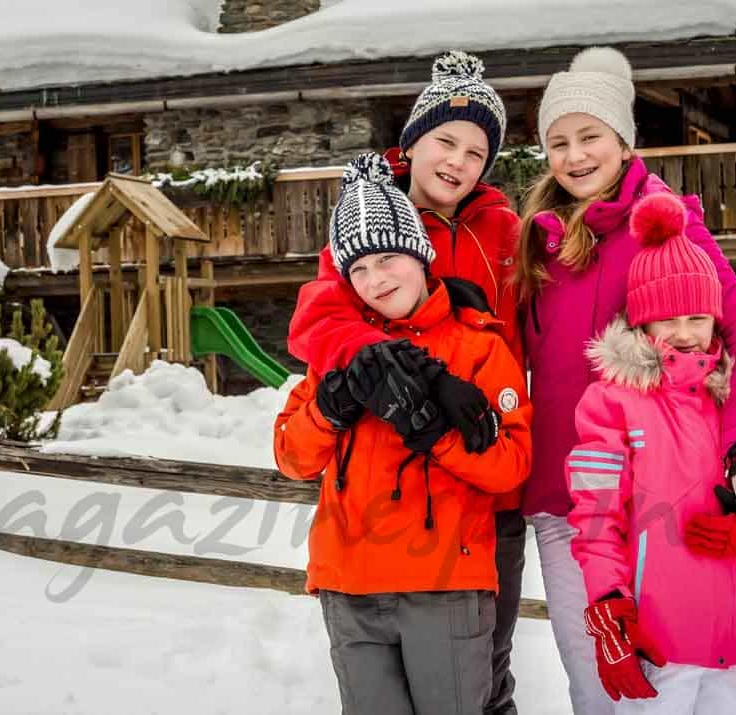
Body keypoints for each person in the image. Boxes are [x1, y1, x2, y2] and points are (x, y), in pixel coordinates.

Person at [515, 46, 736, 715]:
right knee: (596, 686)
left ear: (622, 140)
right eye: (558, 143)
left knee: (659, 686)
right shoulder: (538, 241)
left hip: (652, 503)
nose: (576, 156)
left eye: (591, 138)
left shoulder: (664, 223)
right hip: (563, 500)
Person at [286, 50, 528, 715]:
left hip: (483, 477)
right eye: (444, 141)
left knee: (486, 670)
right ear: (412, 141)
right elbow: (319, 315)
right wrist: (407, 371)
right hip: (383, 507)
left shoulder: (504, 230)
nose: (457, 161)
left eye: (476, 152)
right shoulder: (370, 221)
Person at [564, 191, 736, 714]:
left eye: (698, 318)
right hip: (659, 642)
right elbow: (595, 518)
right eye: (668, 319)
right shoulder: (612, 402)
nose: (684, 334)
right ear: (642, 322)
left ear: (716, 320)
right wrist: (608, 604)